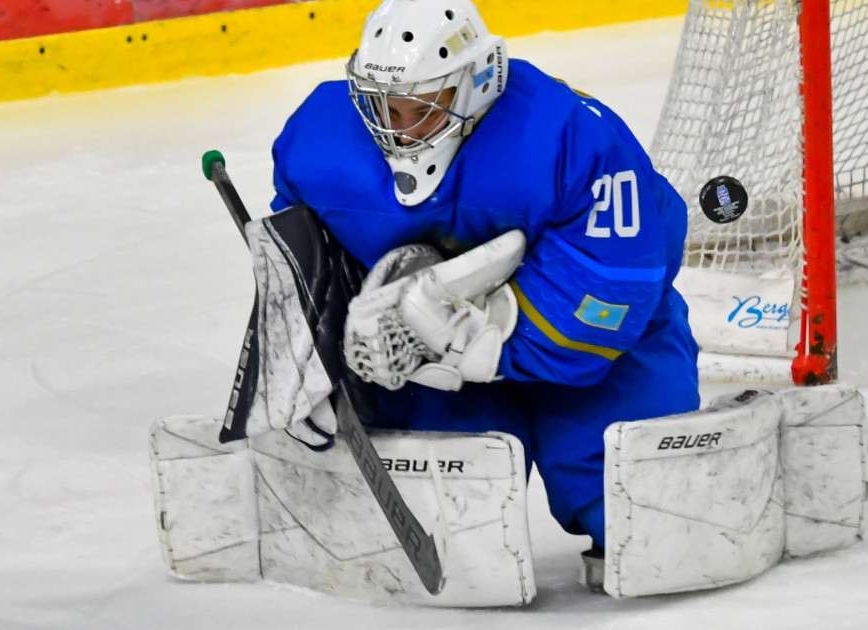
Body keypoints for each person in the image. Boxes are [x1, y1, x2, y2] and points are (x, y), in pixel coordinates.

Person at [267, 0, 699, 553]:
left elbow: (617, 286)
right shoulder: (318, 144)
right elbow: (305, 264)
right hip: (428, 356)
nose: (395, 132)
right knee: (450, 523)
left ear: (477, 82)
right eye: (381, 108)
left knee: (641, 522)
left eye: (418, 107)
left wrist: (489, 332)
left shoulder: (565, 137)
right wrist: (313, 347)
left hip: (599, 344)